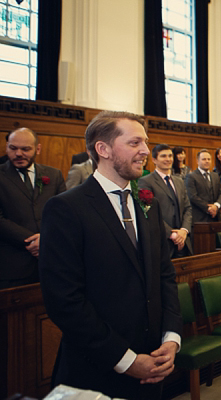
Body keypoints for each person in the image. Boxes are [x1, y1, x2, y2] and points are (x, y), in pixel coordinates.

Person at [38, 111, 182, 400]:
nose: (145, 151)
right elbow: (65, 301)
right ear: (102, 149)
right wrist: (126, 360)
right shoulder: (66, 209)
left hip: (153, 365)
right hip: (96, 371)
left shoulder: (148, 206)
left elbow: (164, 276)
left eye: (146, 142)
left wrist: (171, 338)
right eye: (135, 143)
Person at [0, 128, 66, 289]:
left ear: (38, 149)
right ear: (7, 147)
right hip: (13, 264)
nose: (19, 154)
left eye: (26, 149)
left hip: (51, 260)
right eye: (13, 148)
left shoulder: (53, 174)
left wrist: (46, 238)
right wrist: (32, 240)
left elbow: (64, 214)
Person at [139, 144, 193, 258]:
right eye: (163, 156)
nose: (168, 159)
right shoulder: (146, 182)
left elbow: (188, 208)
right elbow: (148, 212)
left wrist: (184, 230)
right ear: (154, 160)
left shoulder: (179, 181)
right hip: (162, 241)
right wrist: (171, 234)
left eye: (170, 156)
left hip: (184, 241)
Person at [185, 149, 221, 222]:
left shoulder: (215, 176)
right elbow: (192, 196)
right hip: (200, 217)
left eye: (209, 159)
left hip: (215, 217)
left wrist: (216, 206)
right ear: (197, 161)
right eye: (204, 159)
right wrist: (208, 208)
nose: (207, 161)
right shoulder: (191, 176)